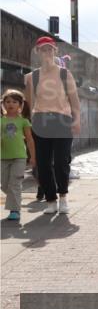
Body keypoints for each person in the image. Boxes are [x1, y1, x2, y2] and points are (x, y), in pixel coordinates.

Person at [24, 36, 81, 215]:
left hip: (62, 120)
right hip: (41, 120)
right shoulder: (32, 77)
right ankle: (50, 200)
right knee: (43, 163)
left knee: (61, 161)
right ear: (38, 52)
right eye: (43, 49)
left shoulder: (65, 74)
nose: (47, 52)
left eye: (50, 49)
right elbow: (30, 104)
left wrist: (77, 119)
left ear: (55, 51)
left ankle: (63, 196)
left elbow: (75, 101)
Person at [2, 90, 35, 222]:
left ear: (20, 105)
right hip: (2, 157)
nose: (11, 104)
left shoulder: (24, 121)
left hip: (19, 157)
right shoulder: (0, 121)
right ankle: (16, 199)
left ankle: (14, 210)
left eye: (14, 102)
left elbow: (30, 139)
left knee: (15, 183)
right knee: (4, 184)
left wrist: (33, 156)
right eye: (8, 101)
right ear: (3, 104)